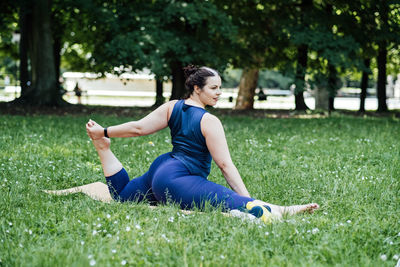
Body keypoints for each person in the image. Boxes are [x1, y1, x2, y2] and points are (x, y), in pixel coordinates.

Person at [85, 65, 319, 223]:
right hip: (178, 179)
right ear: (197, 88)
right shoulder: (209, 121)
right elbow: (225, 165)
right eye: (213, 88)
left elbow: (138, 128)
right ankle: (280, 210)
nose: (219, 93)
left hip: (161, 168)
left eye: (220, 87)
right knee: (240, 206)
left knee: (122, 197)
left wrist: (104, 132)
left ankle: (103, 148)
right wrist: (247, 198)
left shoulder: (172, 107)